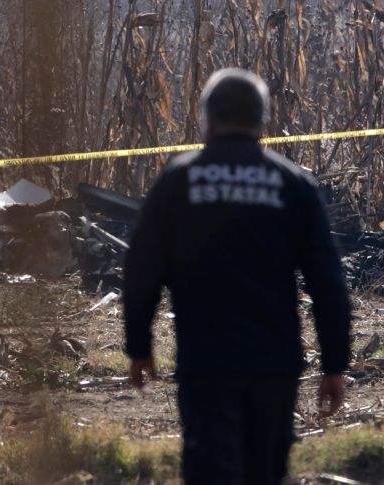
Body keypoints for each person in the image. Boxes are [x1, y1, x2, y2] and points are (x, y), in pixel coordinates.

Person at [123, 68, 351, 484]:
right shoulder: (293, 184)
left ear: (205, 119)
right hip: (274, 364)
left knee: (211, 471)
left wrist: (139, 346)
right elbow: (328, 282)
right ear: (263, 121)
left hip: (206, 362)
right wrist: (334, 364)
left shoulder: (178, 180)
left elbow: (141, 270)